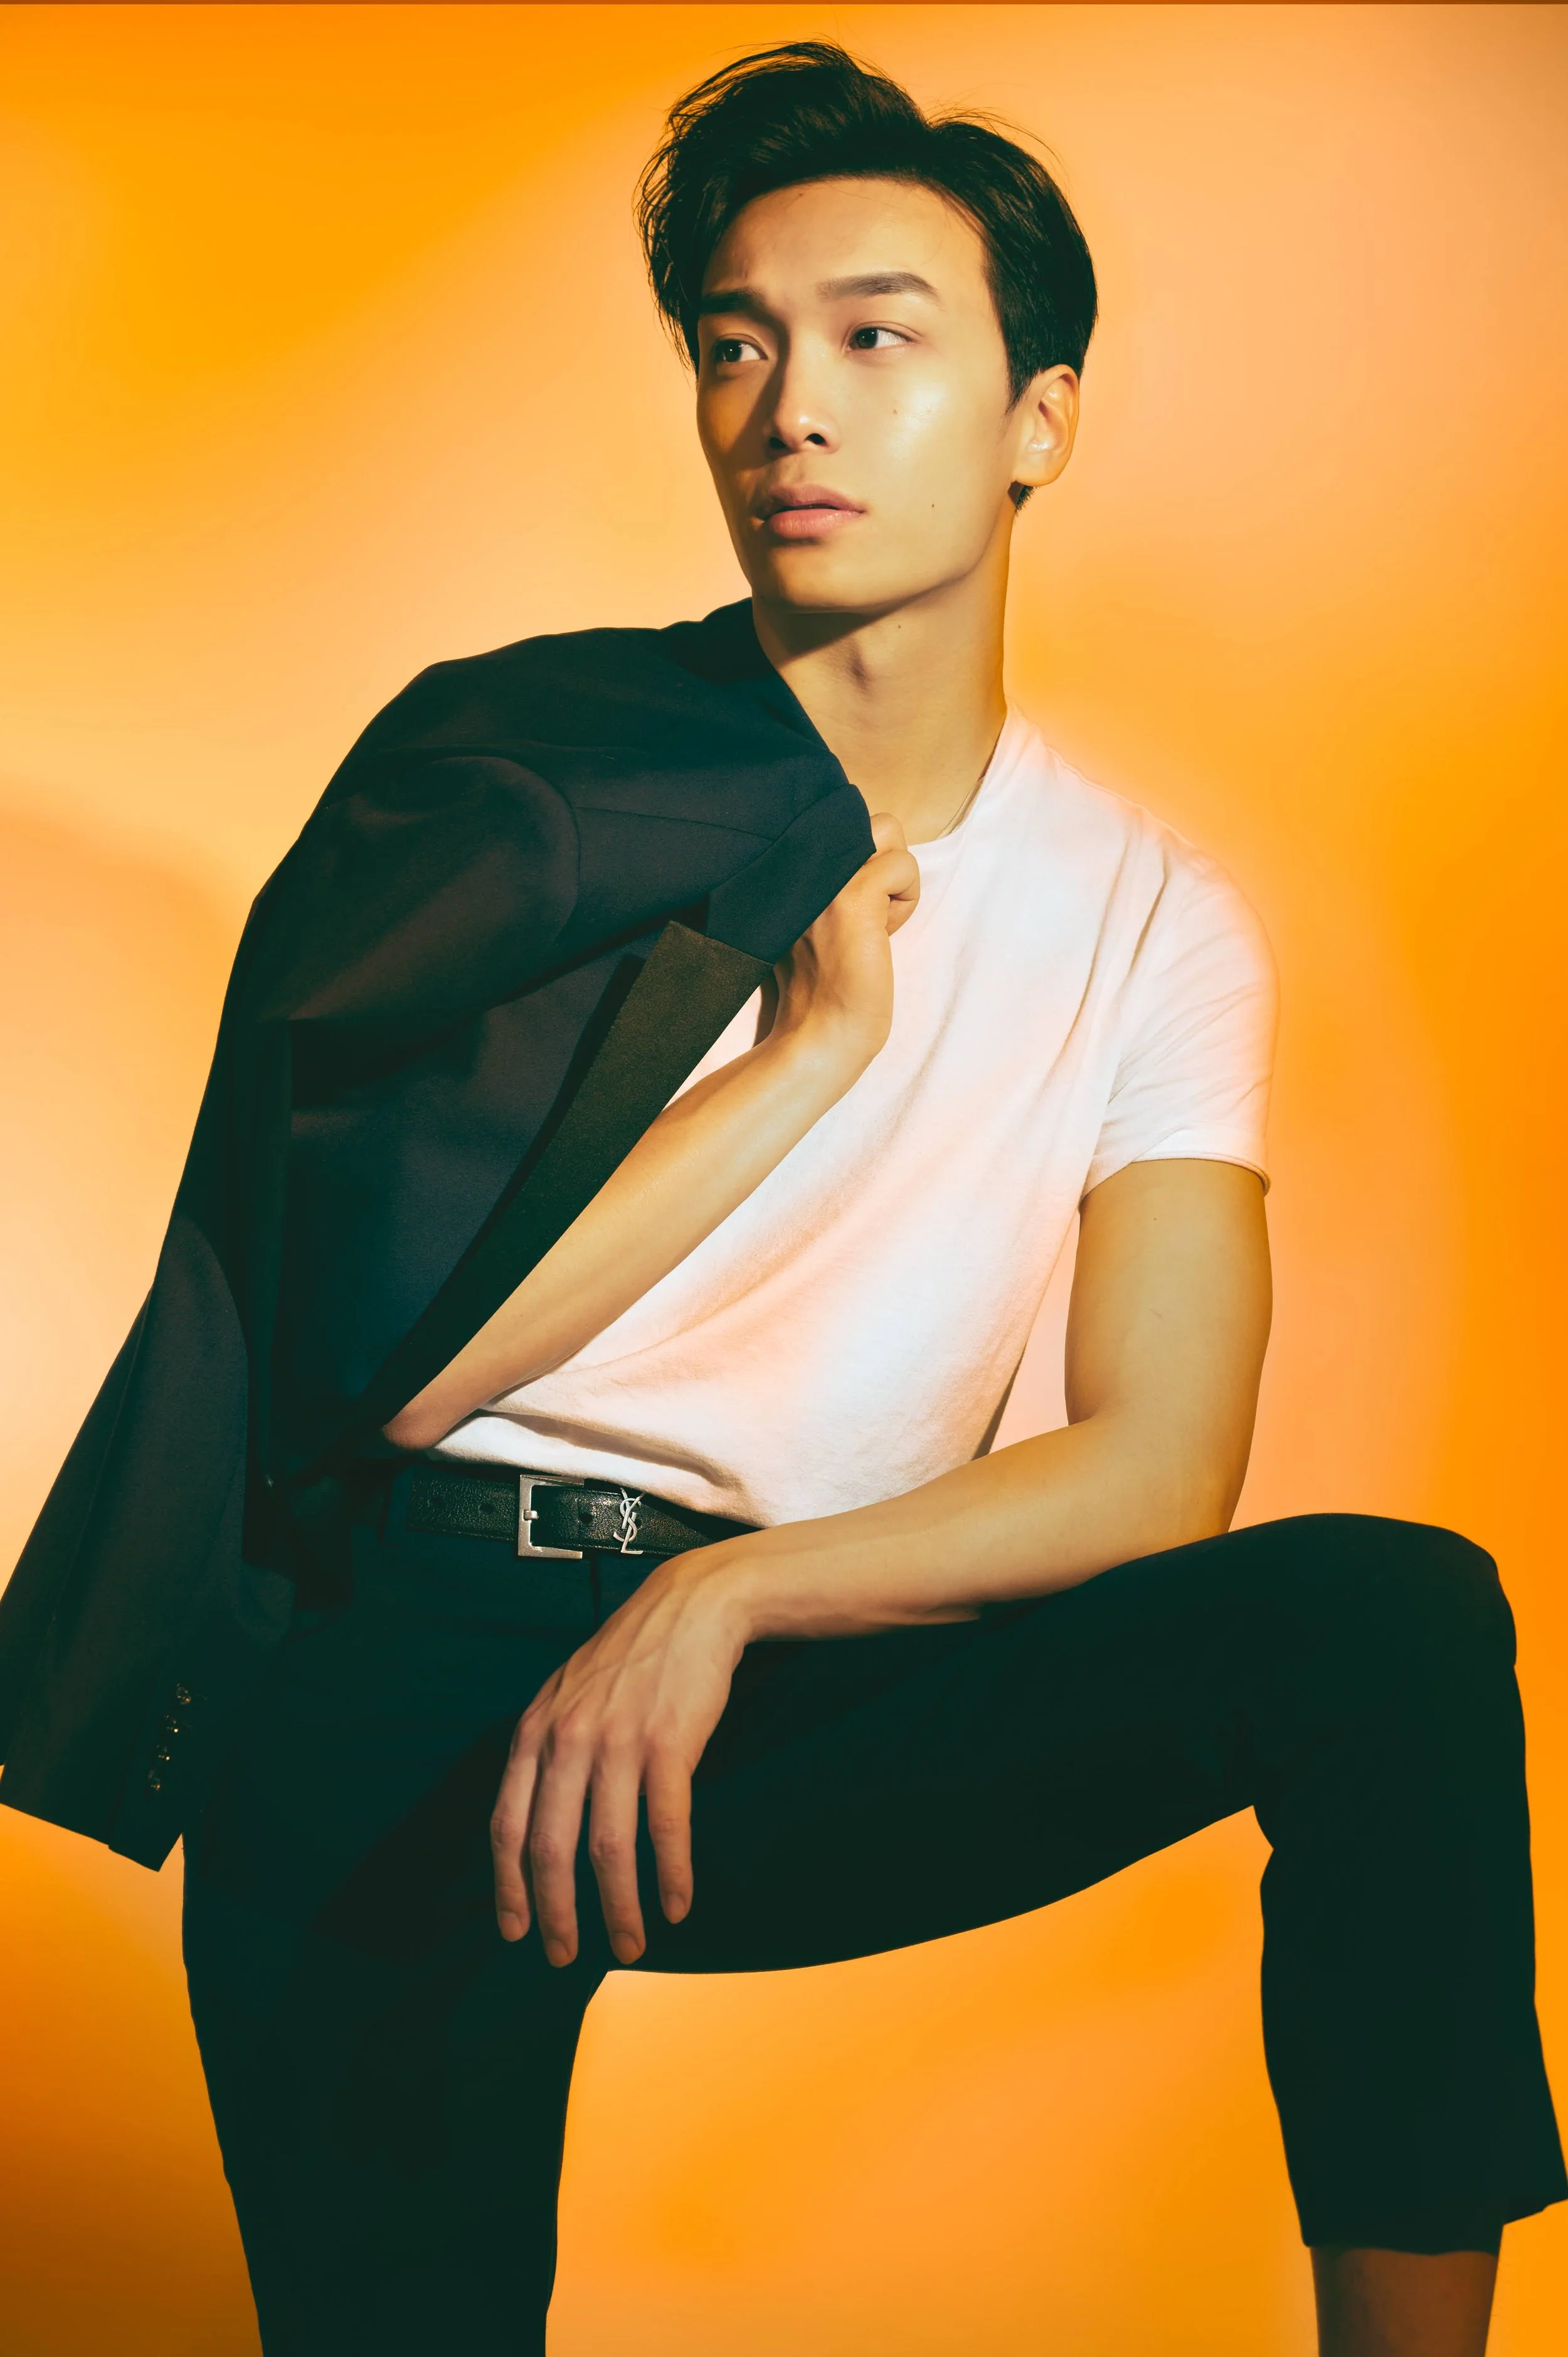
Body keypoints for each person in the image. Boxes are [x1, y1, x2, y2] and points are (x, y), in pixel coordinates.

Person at [2, 40, 1561, 2357]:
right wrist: (805, 1049)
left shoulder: (1149, 916)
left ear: (1038, 417)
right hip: (409, 1659)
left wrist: (730, 1598)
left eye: (872, 336)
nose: (790, 410)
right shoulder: (529, 777)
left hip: (787, 1680)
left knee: (1388, 1625)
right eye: (734, 346)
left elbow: (1160, 1465)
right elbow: (386, 1373)